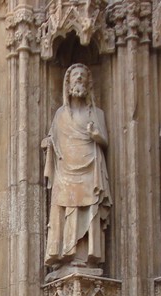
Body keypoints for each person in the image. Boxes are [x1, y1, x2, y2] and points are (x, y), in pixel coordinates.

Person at [43, 63, 111, 270]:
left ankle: (86, 256)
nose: (79, 79)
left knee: (89, 210)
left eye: (83, 76)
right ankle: (66, 256)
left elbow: (105, 140)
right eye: (75, 76)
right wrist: (48, 145)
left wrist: (96, 136)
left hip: (90, 169)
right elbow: (53, 139)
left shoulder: (97, 113)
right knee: (67, 209)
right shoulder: (60, 115)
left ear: (88, 83)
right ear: (68, 83)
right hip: (66, 171)